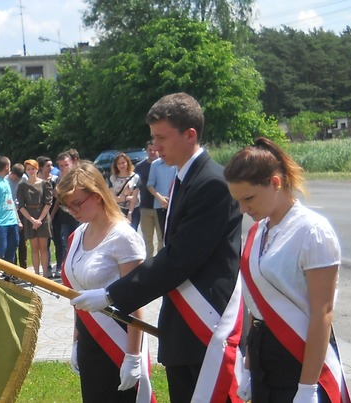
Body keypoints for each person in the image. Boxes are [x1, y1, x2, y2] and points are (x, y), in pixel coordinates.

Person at [71, 93, 243, 403]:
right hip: (185, 328)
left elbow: (178, 259)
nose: (155, 145)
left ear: (189, 135)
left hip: (205, 327)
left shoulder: (211, 183)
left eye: (161, 137)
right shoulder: (183, 178)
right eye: (153, 137)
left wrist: (112, 294)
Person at [224, 138, 351, 403]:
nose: (244, 209)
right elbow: (255, 304)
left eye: (248, 198)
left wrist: (308, 387)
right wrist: (248, 365)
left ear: (275, 183)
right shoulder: (258, 232)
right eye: (238, 201)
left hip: (300, 356)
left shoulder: (312, 231)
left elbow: (322, 313)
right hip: (263, 355)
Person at [56, 161, 153, 402]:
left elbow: (135, 299)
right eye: (68, 207)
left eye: (77, 203)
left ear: (97, 195)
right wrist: (76, 341)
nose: (73, 211)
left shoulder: (123, 237)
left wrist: (132, 355)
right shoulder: (78, 234)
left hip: (119, 341)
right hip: (90, 338)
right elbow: (78, 294)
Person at [17, 159, 53, 276]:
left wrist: (39, 220)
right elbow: (21, 206)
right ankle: (36, 274)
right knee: (34, 247)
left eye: (33, 169)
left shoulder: (44, 184)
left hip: (42, 216)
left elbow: (48, 203)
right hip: (29, 217)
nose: (31, 171)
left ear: (37, 169)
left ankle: (45, 273)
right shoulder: (22, 186)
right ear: (26, 171)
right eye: (28, 169)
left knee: (43, 247)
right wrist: (32, 220)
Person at [52, 150, 81, 278]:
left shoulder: (78, 175)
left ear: (71, 163)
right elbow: (56, 195)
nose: (64, 168)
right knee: (67, 241)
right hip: (65, 213)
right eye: (61, 166)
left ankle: (79, 267)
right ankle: (68, 268)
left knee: (80, 239)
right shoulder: (59, 178)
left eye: (66, 165)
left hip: (79, 212)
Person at [146, 142, 177, 257]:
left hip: (174, 202)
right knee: (164, 234)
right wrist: (160, 198)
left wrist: (171, 199)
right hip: (160, 205)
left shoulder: (176, 163)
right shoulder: (155, 165)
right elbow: (150, 185)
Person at [109, 153, 140, 230]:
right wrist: (128, 198)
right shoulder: (113, 178)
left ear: (127, 163)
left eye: (123, 163)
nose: (121, 165)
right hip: (118, 210)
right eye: (118, 163)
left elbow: (134, 198)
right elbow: (113, 199)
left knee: (132, 232)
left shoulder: (135, 177)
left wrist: (130, 214)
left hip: (133, 210)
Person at [7, 163, 28, 269]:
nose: (16, 180)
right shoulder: (6, 180)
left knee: (22, 241)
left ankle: (23, 267)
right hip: (10, 211)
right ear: (12, 173)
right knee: (13, 241)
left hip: (22, 210)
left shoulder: (24, 178)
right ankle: (13, 268)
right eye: (15, 177)